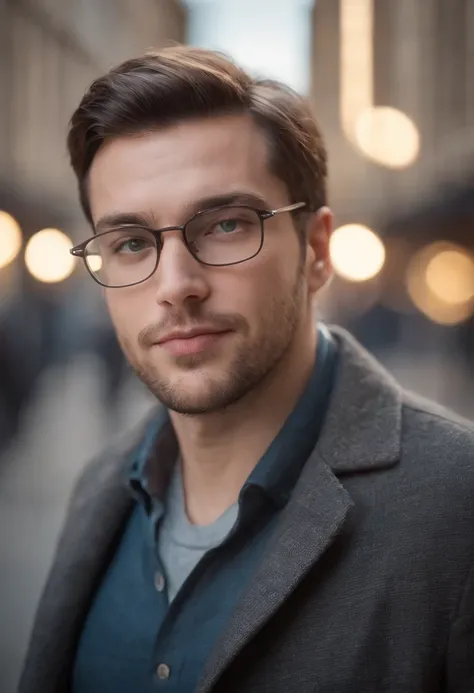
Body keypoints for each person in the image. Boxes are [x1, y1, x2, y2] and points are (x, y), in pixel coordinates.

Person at [19, 46, 474, 693]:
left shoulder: (458, 509)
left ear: (316, 251)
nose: (176, 285)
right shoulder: (101, 488)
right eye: (130, 242)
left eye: (226, 224)